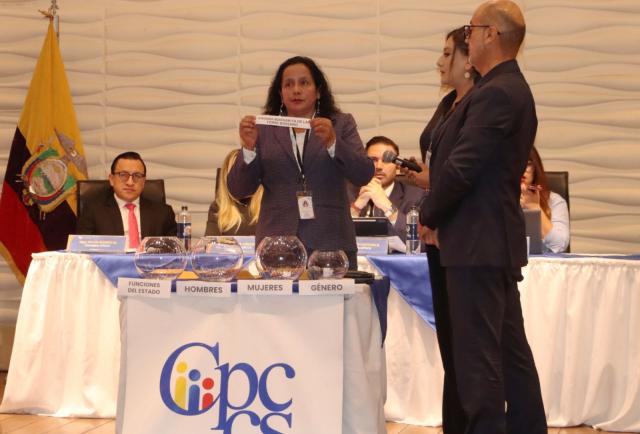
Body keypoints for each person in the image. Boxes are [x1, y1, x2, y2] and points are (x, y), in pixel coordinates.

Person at [419, 1, 547, 434]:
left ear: (491, 34)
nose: (467, 38)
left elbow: (462, 168)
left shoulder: (496, 93)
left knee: (479, 366)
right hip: (488, 242)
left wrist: (428, 213)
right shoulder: (506, 87)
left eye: (470, 30)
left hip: (476, 244)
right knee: (510, 357)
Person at [227, 56, 374, 267]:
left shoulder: (340, 124)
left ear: (318, 91)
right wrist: (249, 149)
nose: (296, 90)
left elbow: (364, 174)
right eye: (288, 84)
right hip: (276, 246)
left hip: (331, 243)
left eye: (304, 83)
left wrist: (333, 142)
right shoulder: (264, 129)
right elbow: (239, 190)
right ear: (280, 93)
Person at [406, 26, 477, 189]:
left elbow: (469, 171)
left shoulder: (477, 105)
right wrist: (425, 170)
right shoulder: (448, 101)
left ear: (468, 61)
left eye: (447, 54)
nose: (439, 62)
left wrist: (434, 180)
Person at [76, 151, 177, 248]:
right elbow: (81, 250)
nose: (130, 182)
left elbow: (173, 252)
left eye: (137, 176)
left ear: (143, 182)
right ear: (111, 179)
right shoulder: (93, 211)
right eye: (123, 175)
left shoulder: (163, 213)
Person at [349, 136, 425, 242]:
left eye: (386, 160)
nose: (379, 166)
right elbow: (333, 238)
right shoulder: (347, 193)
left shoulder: (416, 197)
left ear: (397, 166)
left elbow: (422, 242)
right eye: (373, 160)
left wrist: (387, 207)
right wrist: (356, 208)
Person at [520, 146, 570, 253]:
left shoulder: (554, 201)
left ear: (535, 168)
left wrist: (534, 207)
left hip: (541, 263)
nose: (521, 169)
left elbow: (559, 245)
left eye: (528, 164)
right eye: (514, 163)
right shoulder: (491, 200)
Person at [205, 149, 263, 236]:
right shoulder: (218, 206)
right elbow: (210, 241)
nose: (243, 178)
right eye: (236, 174)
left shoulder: (267, 204)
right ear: (227, 177)